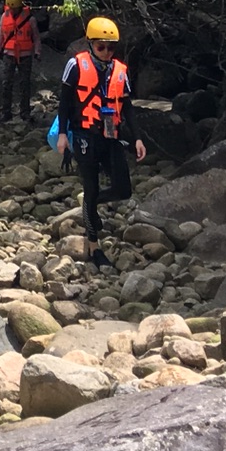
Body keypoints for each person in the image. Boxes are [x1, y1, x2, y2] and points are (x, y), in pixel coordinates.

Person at [56, 17, 146, 265]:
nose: (106, 52)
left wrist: (137, 138)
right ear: (90, 44)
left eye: (111, 47)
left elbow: (127, 107)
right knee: (92, 184)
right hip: (85, 135)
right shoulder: (75, 66)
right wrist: (63, 134)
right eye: (101, 47)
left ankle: (90, 203)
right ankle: (94, 246)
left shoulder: (120, 71)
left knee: (122, 189)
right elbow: (64, 103)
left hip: (111, 135)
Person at [0, 0, 42, 123]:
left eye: (15, 8)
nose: (12, 10)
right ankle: (6, 112)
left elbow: (36, 37)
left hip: (25, 55)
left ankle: (25, 112)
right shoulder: (4, 17)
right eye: (11, 8)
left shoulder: (30, 19)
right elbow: (1, 36)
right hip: (9, 54)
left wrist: (37, 52)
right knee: (6, 84)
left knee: (24, 84)